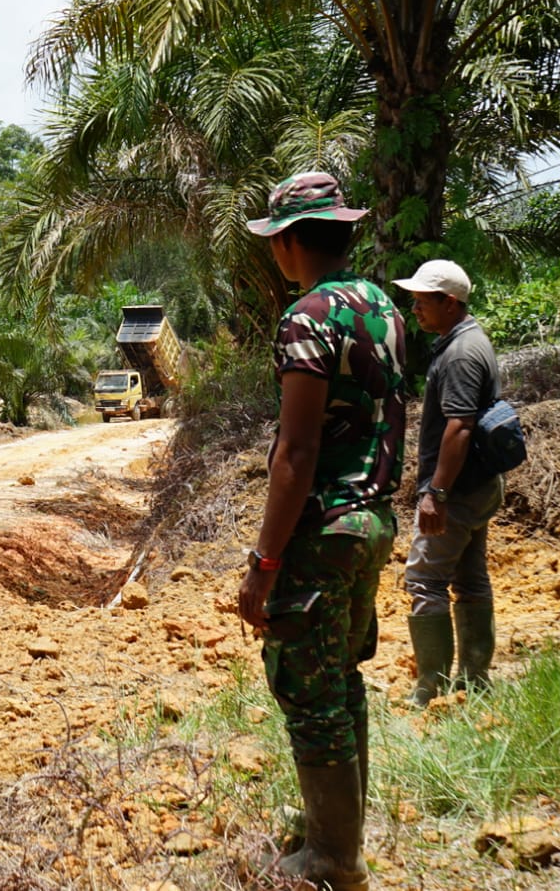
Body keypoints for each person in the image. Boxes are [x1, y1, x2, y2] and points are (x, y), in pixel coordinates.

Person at [237, 170, 406, 891]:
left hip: (323, 529)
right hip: (370, 522)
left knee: (308, 689)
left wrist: (264, 562)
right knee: (341, 676)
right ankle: (338, 834)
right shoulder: (384, 306)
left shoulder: (308, 316)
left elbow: (297, 454)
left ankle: (334, 859)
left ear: (288, 244)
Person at [392, 260, 501, 705]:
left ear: (450, 302)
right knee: (471, 580)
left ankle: (430, 689)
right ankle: (474, 682)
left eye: (423, 300)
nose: (415, 308)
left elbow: (460, 427)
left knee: (424, 580)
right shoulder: (469, 340)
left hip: (455, 492)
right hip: (477, 486)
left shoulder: (458, 353)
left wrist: (435, 493)